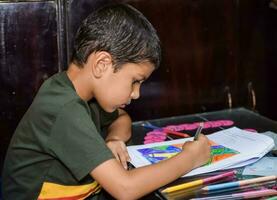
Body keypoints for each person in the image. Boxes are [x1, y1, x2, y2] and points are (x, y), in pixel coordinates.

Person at [1, 3, 210, 200]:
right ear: (102, 64)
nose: (136, 94)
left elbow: (122, 119)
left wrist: (114, 139)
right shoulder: (62, 107)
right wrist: (190, 159)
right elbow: (125, 189)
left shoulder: (82, 96)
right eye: (135, 81)